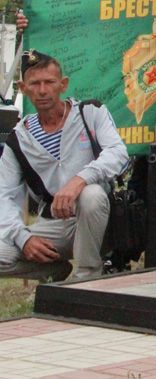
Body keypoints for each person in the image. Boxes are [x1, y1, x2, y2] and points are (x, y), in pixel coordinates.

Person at [0, 50, 128, 281]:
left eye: (49, 82)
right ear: (23, 88)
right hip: (55, 225)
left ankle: (86, 278)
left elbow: (118, 153)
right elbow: (5, 195)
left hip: (100, 221)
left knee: (91, 194)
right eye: (35, 83)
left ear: (63, 84)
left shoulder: (91, 112)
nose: (42, 90)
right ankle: (52, 270)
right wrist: (23, 238)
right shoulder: (17, 139)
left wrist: (79, 181)